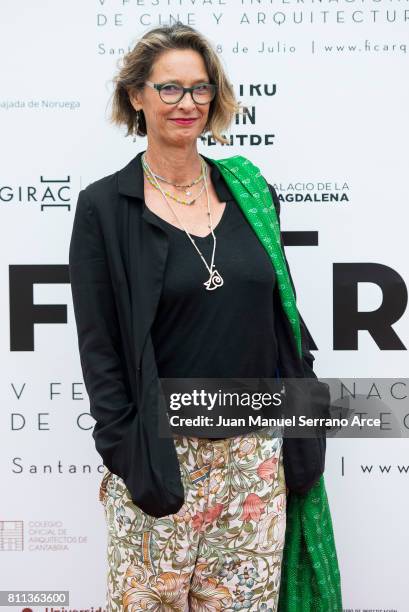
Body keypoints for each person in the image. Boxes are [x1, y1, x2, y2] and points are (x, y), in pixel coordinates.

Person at [69, 22, 328, 611]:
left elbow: (286, 322)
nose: (186, 104)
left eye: (200, 89)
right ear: (136, 96)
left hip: (253, 465)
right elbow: (101, 348)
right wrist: (128, 456)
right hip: (160, 463)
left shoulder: (250, 192)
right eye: (169, 89)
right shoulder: (105, 208)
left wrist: (303, 437)